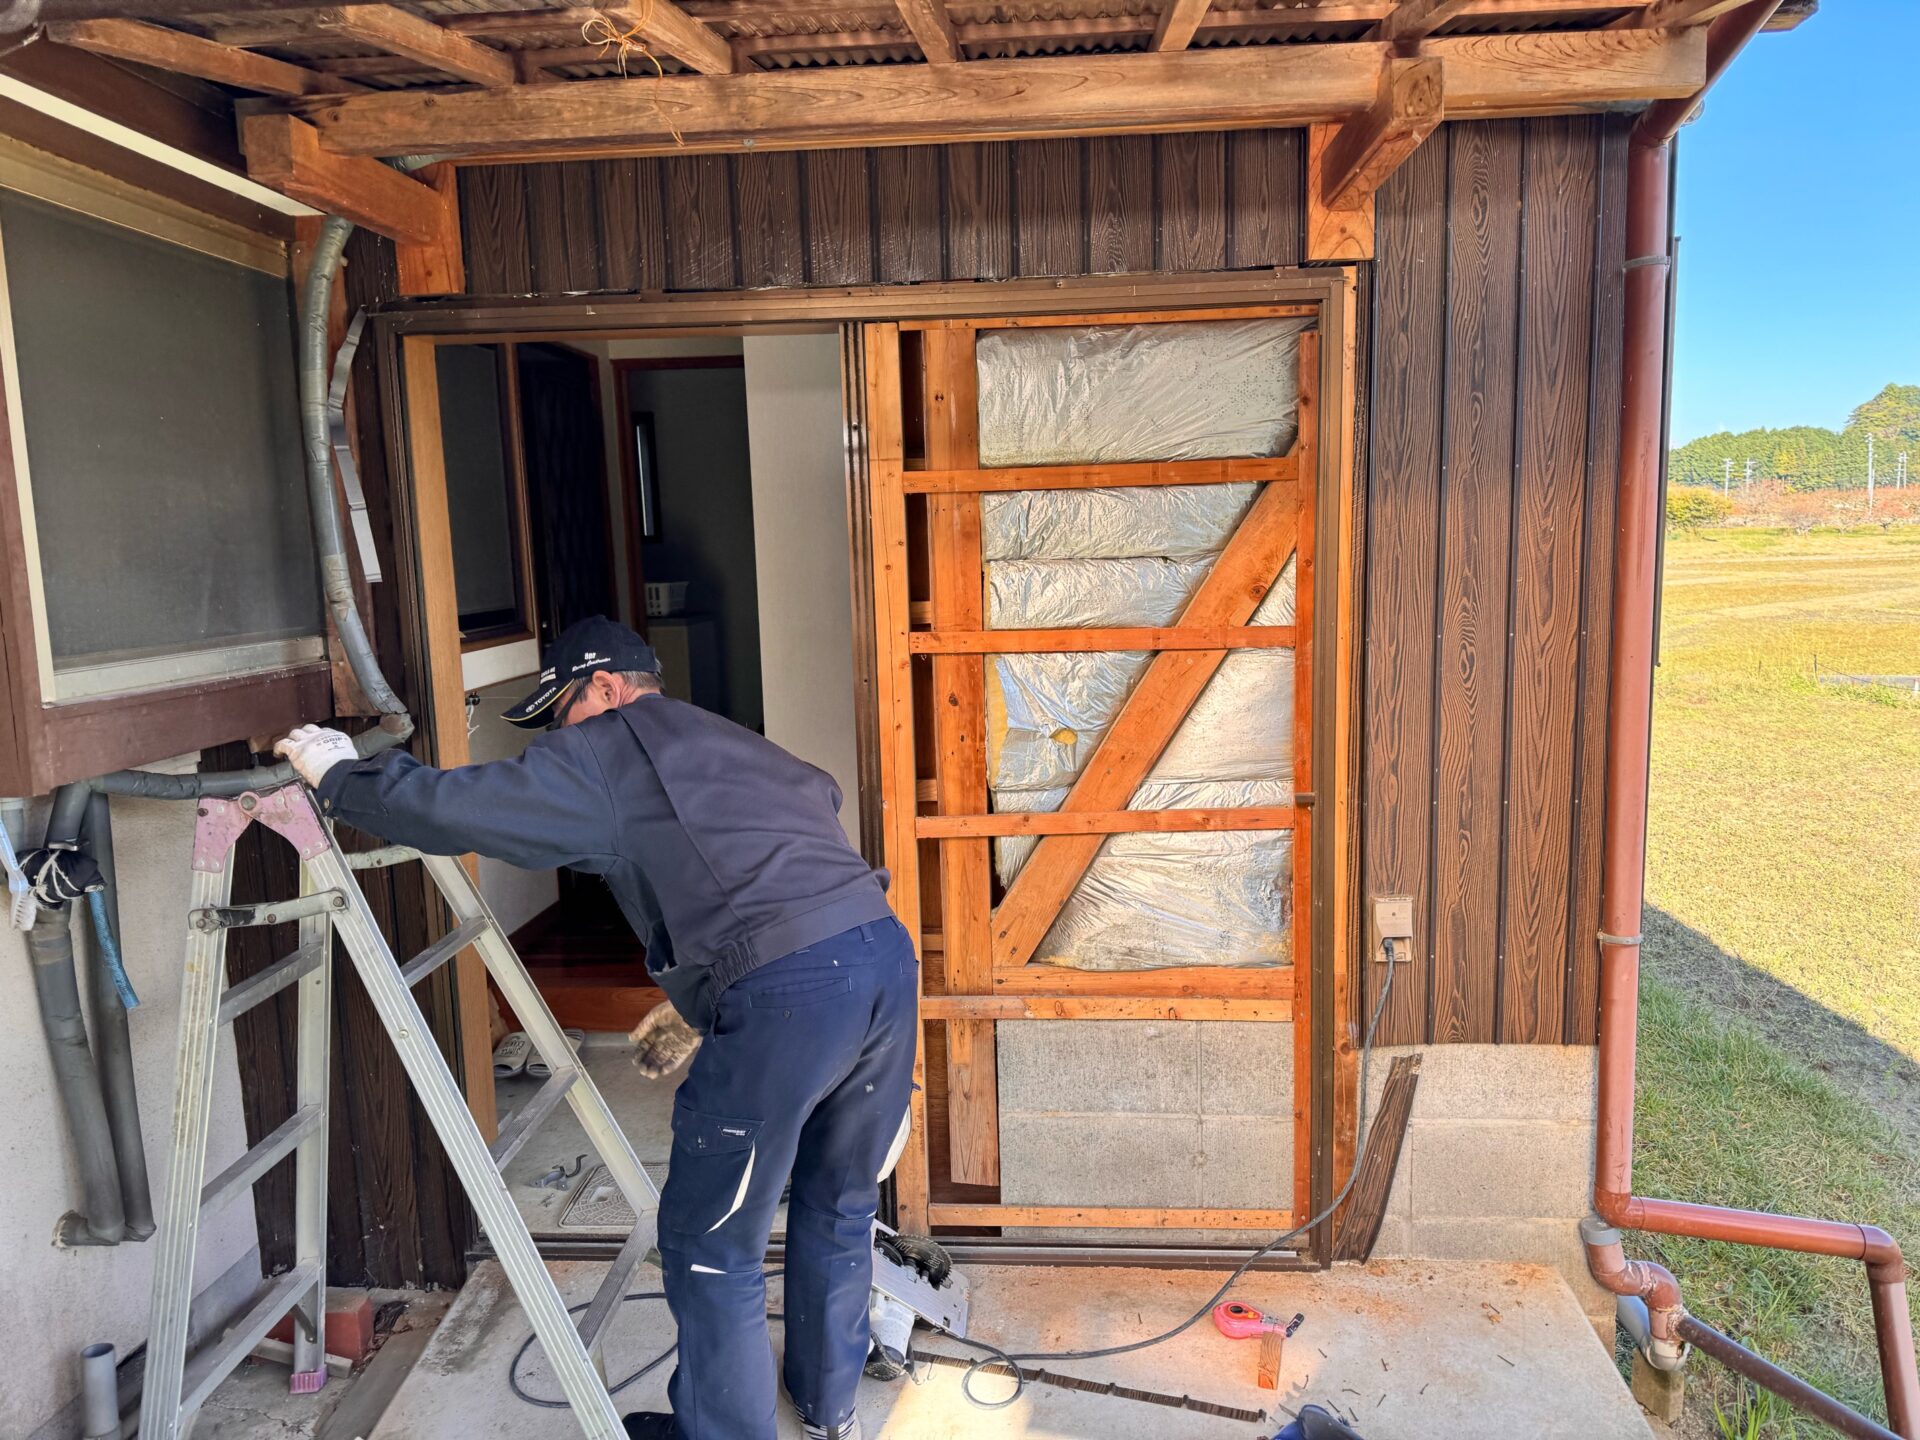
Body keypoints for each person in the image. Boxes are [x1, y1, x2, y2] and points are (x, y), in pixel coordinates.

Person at [275, 615, 915, 1440]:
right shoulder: (727, 741)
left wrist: (343, 777)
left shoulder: (614, 744)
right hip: (882, 958)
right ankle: (829, 1409)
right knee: (841, 1199)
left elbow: (462, 809)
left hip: (791, 996)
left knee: (710, 1241)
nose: (558, 738)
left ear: (607, 688)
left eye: (562, 712)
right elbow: (799, 818)